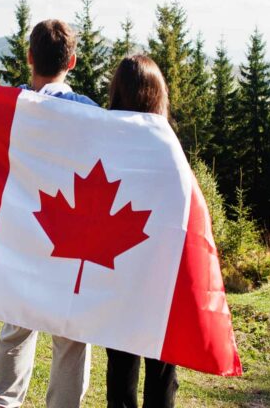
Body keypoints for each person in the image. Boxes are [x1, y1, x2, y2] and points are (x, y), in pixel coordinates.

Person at [0, 19, 97, 408]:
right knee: (71, 334)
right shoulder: (90, 113)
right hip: (70, 235)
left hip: (22, 232)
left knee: (17, 324)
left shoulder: (11, 105)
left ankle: (3, 402)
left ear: (30, 57)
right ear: (73, 60)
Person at [105, 54, 179, 408]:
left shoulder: (105, 135)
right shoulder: (167, 143)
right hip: (160, 271)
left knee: (120, 362)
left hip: (116, 266)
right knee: (162, 366)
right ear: (157, 94)